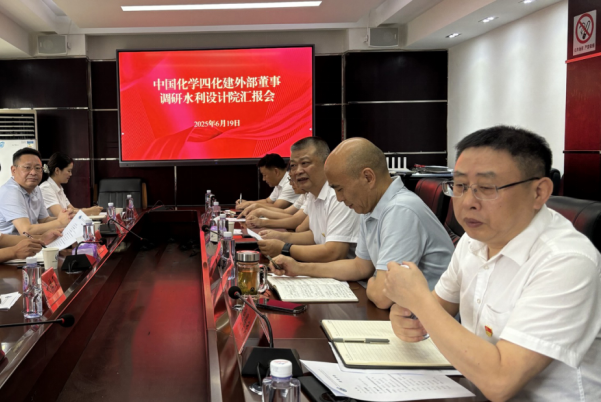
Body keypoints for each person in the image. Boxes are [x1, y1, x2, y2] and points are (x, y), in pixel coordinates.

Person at [384, 127, 600, 401]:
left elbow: (500, 382)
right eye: (460, 186)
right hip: (472, 389)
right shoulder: (473, 240)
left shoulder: (566, 261)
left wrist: (419, 300)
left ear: (539, 192)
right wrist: (409, 316)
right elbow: (435, 310)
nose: (467, 202)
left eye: (486, 188)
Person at [270, 138, 453, 309]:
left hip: (431, 323)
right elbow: (360, 267)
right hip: (405, 315)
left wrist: (373, 281)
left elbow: (382, 296)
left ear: (368, 177)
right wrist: (298, 268)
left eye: (340, 189)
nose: (339, 198)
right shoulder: (370, 207)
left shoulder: (401, 210)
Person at [256, 137, 360, 263]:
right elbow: (315, 236)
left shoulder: (338, 195)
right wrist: (280, 236)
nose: (298, 171)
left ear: (326, 163)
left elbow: (335, 253)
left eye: (305, 163)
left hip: (346, 273)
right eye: (293, 165)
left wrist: (285, 248)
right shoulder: (312, 194)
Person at [0, 148, 72, 236]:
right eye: (27, 167)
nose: (33, 172)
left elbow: (44, 220)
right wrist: (59, 222)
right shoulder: (10, 192)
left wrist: (68, 218)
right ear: (13, 170)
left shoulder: (36, 189)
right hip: (3, 243)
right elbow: (26, 231)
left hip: (24, 242)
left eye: (37, 168)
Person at [39, 152, 103, 217]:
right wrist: (89, 211)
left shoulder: (59, 187)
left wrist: (90, 210)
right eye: (69, 171)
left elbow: (72, 209)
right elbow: (61, 214)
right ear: (57, 170)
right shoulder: (46, 188)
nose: (70, 174)